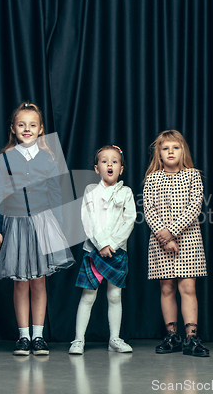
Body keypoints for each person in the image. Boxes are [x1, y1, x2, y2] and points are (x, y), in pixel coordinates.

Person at [0, 102, 74, 356]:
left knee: (39, 282)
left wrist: (57, 232)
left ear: (40, 130)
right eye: (21, 125)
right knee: (20, 282)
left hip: (42, 226)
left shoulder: (48, 159)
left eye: (32, 125)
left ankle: (38, 337)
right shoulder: (4, 159)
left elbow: (57, 196)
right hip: (14, 225)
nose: (27, 129)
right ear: (14, 129)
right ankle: (23, 337)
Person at [143, 130, 210, 357]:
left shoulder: (193, 175)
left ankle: (192, 338)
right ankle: (172, 336)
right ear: (159, 154)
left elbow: (194, 207)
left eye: (175, 147)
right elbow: (148, 209)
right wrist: (164, 236)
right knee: (167, 287)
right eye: (165, 148)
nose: (170, 152)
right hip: (160, 241)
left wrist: (171, 232)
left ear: (183, 151)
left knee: (188, 287)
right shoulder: (152, 178)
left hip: (188, 239)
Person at [68, 145, 136, 355]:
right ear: (97, 168)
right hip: (94, 251)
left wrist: (112, 245)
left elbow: (129, 220)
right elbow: (87, 220)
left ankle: (114, 339)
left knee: (115, 296)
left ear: (121, 169)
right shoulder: (91, 191)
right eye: (104, 161)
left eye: (114, 161)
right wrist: (102, 244)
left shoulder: (126, 192)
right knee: (88, 296)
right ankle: (78, 339)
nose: (110, 164)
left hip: (117, 252)